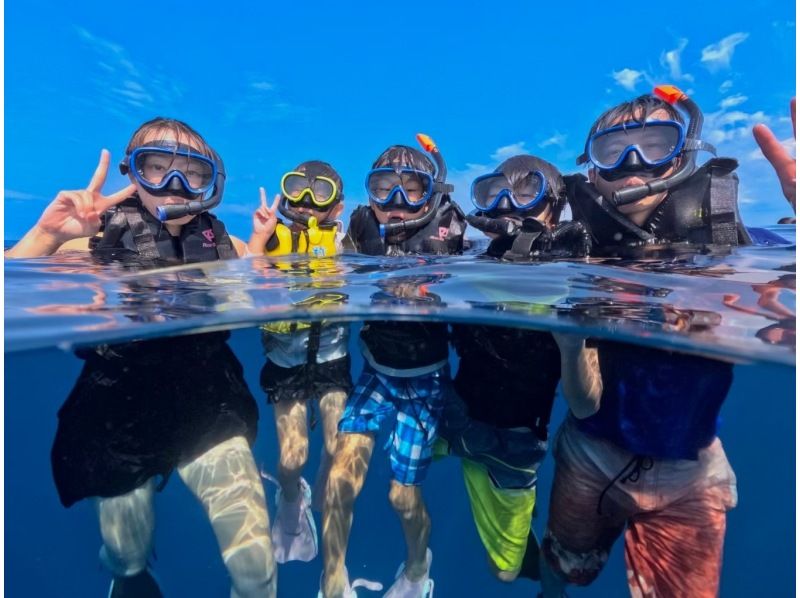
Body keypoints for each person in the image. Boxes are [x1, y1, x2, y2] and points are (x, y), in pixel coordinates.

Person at [7, 118, 276, 598]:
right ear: (133, 175)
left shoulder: (224, 244)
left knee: (257, 570)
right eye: (156, 168)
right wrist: (46, 235)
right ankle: (127, 573)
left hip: (209, 401)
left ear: (210, 182)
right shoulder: (89, 241)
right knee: (128, 557)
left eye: (191, 173)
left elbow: (264, 285)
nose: (174, 186)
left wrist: (258, 246)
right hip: (116, 411)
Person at [539, 87, 744, 598]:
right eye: (615, 152)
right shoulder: (575, 259)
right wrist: (570, 342)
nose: (634, 164)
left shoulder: (731, 246)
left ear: (684, 156)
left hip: (691, 472)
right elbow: (584, 404)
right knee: (570, 567)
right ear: (592, 172)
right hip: (590, 453)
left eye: (656, 144)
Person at [321, 135, 466, 598]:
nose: (396, 202)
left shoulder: (450, 229)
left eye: (412, 189)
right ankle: (331, 579)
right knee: (339, 478)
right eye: (384, 187)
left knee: (402, 498)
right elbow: (330, 266)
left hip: (426, 380)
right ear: (369, 195)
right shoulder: (361, 227)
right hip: (377, 374)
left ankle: (419, 568)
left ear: (432, 194)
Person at [436, 155, 571, 584]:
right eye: (493, 194)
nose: (507, 206)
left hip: (513, 448)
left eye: (526, 192)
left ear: (555, 207)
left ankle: (548, 582)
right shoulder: (475, 263)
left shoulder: (572, 263)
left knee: (505, 573)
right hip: (458, 421)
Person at [247, 161, 352, 564]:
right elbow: (248, 271)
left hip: (331, 357)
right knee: (292, 457)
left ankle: (323, 503)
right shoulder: (274, 237)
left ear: (337, 207)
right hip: (285, 361)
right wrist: (259, 237)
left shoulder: (344, 245)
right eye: (297, 189)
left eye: (319, 193)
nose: (306, 202)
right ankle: (290, 495)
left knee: (335, 445)